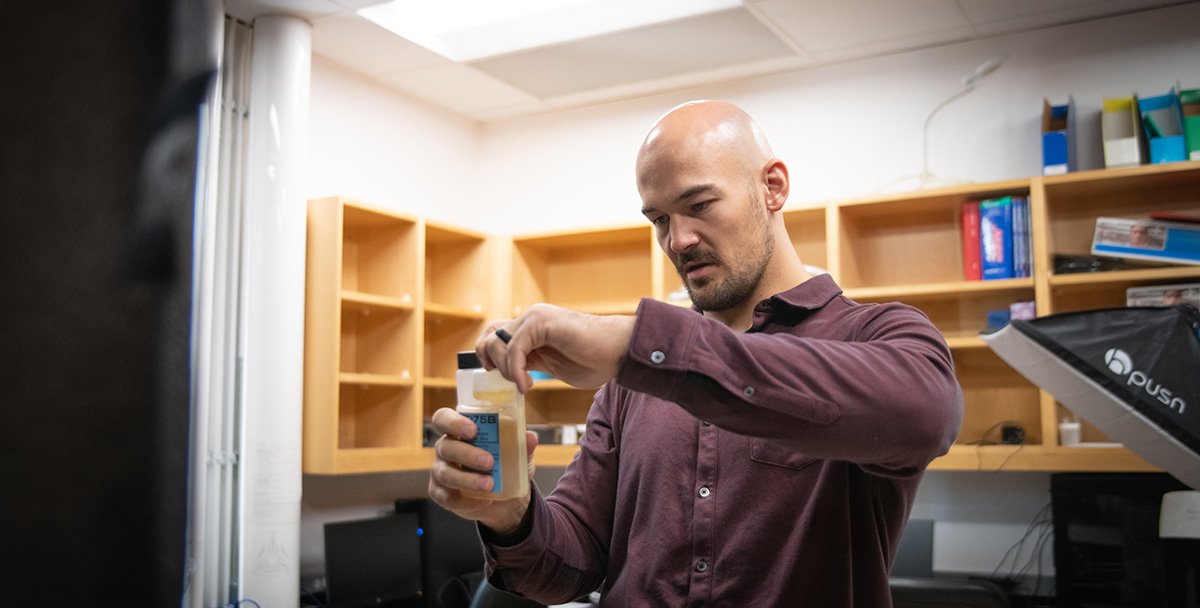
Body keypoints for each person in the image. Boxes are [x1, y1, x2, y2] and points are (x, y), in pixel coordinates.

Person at [428, 100, 964, 607]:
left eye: (699, 205)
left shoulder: (878, 333)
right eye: (659, 219)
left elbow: (924, 417)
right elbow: (573, 563)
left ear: (773, 187)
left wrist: (634, 344)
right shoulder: (631, 380)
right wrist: (512, 516)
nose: (678, 241)